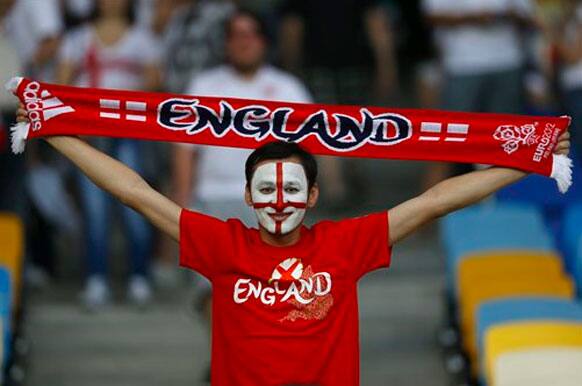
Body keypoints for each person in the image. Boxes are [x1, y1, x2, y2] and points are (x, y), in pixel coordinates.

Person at [15, 102, 570, 384]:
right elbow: (135, 191)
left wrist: (529, 159)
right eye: (266, 190)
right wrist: (55, 129)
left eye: (291, 190)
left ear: (312, 196)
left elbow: (433, 201)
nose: (279, 202)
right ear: (249, 197)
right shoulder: (221, 243)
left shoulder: (347, 242)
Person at [56, 0, 162, 309]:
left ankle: (139, 276)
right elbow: (61, 84)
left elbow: (155, 81)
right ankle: (96, 279)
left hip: (129, 131)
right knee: (94, 211)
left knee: (138, 204)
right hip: (89, 134)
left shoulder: (142, 38)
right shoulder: (77, 38)